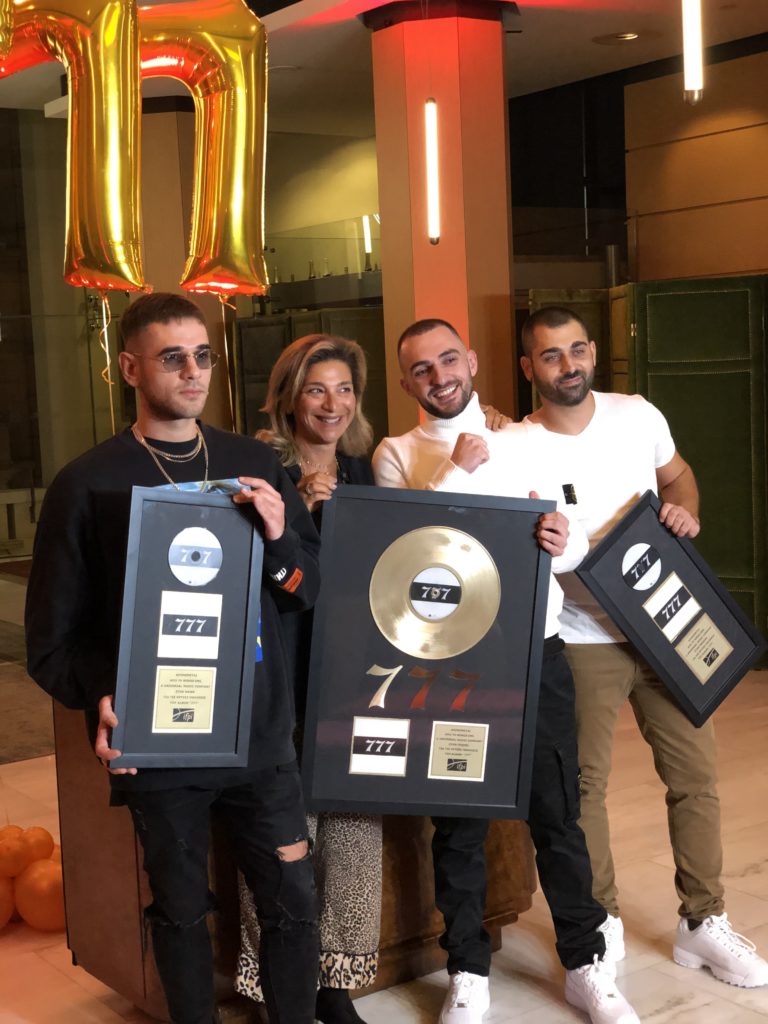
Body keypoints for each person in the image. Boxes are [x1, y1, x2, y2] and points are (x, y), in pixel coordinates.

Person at [24, 293, 322, 1024]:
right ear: (130, 368)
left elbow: (308, 587)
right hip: (159, 742)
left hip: (259, 738)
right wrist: (105, 692)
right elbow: (51, 642)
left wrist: (280, 538)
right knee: (181, 909)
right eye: (172, 357)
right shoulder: (87, 483)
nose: (193, 371)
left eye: (203, 355)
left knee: (292, 901)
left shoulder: (255, 463)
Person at [372, 318, 641, 1024]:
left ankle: (585, 964)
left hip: (535, 651)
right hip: (452, 669)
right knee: (459, 825)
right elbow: (407, 551)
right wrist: (457, 468)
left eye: (448, 360)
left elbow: (570, 542)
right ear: (406, 382)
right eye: (422, 369)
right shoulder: (396, 454)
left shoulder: (526, 439)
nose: (439, 377)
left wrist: (564, 540)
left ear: (471, 360)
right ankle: (468, 970)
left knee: (558, 814)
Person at [518, 304, 768, 989]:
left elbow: (678, 476)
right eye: (550, 354)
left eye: (576, 350)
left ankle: (703, 922)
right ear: (529, 366)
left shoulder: (637, 414)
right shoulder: (518, 444)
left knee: (695, 778)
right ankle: (601, 919)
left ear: (594, 352)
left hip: (666, 629)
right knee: (583, 789)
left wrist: (686, 509)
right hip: (581, 633)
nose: (568, 365)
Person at [234, 333, 381, 1024]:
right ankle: (275, 982)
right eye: (317, 389)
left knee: (354, 830)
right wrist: (298, 511)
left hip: (356, 672)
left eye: (344, 389)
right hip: (284, 671)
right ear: (290, 397)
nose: (332, 403)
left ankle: (336, 984)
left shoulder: (364, 470)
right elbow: (266, 575)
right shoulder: (260, 469)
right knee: (282, 834)